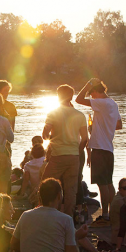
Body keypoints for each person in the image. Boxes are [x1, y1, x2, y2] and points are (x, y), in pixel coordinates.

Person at [75, 78, 122, 225]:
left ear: (96, 91)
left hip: (99, 149)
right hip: (108, 148)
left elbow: (78, 99)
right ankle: (113, 213)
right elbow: (119, 125)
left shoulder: (102, 102)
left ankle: (106, 215)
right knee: (108, 183)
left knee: (102, 184)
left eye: (92, 94)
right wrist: (99, 127)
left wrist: (87, 84)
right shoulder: (113, 104)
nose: (92, 98)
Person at [41, 84, 88, 217]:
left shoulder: (53, 113)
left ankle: (45, 215)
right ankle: (68, 219)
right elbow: (85, 138)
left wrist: (50, 136)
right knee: (71, 191)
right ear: (71, 97)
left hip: (58, 156)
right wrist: (78, 152)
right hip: (74, 156)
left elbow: (44, 135)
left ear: (58, 96)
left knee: (45, 185)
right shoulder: (80, 115)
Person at [110, 177, 126, 245]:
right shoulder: (120, 201)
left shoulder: (125, 199)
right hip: (123, 238)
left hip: (124, 235)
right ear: (119, 189)